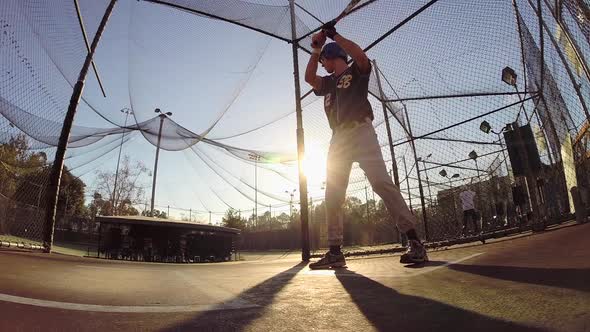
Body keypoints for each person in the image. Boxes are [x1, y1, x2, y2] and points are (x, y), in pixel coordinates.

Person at [305, 23, 428, 269]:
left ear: (333, 58)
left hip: (361, 132)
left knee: (381, 182)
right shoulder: (328, 84)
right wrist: (316, 49)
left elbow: (360, 55)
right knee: (333, 195)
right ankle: (335, 252)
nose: (322, 66)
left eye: (324, 61)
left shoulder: (355, 71)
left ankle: (415, 242)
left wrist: (335, 35)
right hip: (338, 139)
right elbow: (309, 78)